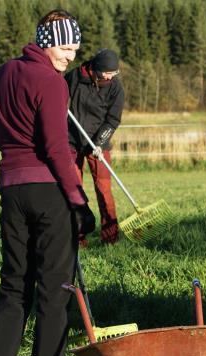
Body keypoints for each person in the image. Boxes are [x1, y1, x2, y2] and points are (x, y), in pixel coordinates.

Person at [0, 9, 95, 356]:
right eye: (65, 47)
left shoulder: (7, 71)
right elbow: (56, 149)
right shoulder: (51, 81)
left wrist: (16, 156)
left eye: (75, 49)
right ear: (47, 42)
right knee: (54, 289)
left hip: (11, 190)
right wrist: (79, 200)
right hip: (48, 194)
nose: (70, 57)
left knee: (13, 285)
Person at [66, 48, 125, 245]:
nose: (111, 76)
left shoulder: (115, 87)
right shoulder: (74, 77)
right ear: (96, 68)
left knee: (104, 190)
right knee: (74, 191)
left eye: (114, 73)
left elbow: (113, 119)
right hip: (71, 141)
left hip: (98, 144)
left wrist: (99, 143)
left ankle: (110, 239)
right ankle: (78, 238)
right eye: (108, 72)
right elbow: (58, 98)